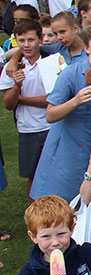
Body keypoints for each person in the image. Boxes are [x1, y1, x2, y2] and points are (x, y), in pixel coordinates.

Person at [30, 24, 91, 201]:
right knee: (63, 205)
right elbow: (50, 115)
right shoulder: (71, 74)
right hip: (68, 150)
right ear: (87, 47)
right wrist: (75, 101)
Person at [0, 19, 51, 198]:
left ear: (40, 39)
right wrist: (16, 86)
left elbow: (51, 99)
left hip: (51, 125)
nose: (26, 45)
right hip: (28, 128)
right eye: (21, 41)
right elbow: (8, 104)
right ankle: (35, 217)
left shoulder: (50, 62)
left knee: (54, 173)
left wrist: (22, 99)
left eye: (31, 40)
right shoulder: (10, 69)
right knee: (33, 176)